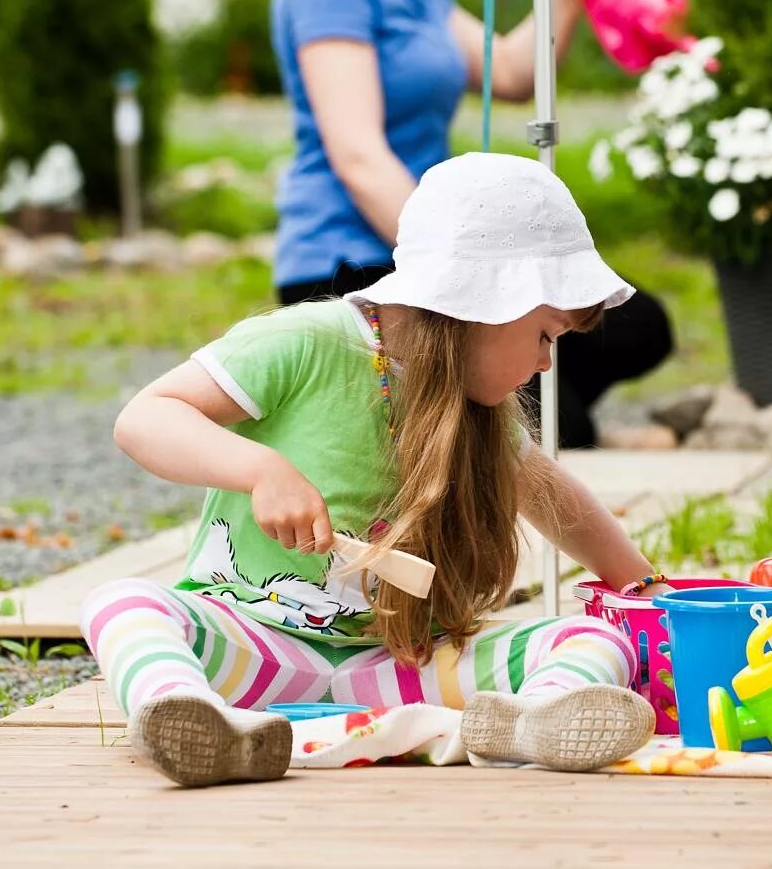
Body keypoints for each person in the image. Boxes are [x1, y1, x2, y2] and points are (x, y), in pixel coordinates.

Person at [81, 154, 670, 786]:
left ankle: (529, 724)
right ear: (490, 304)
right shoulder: (306, 341)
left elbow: (557, 501)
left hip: (394, 671)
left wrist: (645, 588)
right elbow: (144, 419)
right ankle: (192, 720)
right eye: (546, 335)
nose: (547, 364)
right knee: (125, 603)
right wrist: (260, 469)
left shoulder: (478, 410)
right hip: (256, 650)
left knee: (590, 639)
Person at [272, 0, 671, 447]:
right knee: (544, 423)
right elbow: (358, 157)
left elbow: (513, 72)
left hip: (425, 249)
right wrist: (461, 269)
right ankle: (535, 414)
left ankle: (521, 401)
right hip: (355, 267)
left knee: (635, 323)